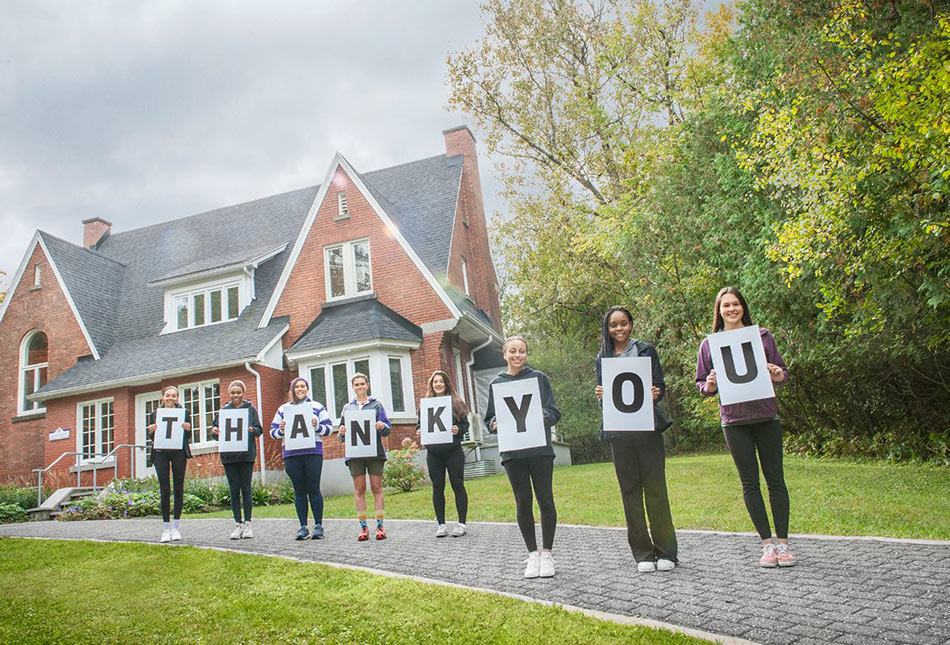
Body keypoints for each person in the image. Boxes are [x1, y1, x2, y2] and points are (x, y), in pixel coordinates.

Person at [695, 287, 795, 567]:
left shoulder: (762, 336)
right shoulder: (710, 344)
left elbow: (782, 372)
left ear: (743, 307)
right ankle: (767, 545)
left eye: (736, 304)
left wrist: (777, 374)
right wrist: (710, 386)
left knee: (776, 480)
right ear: (719, 311)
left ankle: (784, 545)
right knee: (749, 483)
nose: (731, 309)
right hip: (734, 422)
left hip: (766, 417)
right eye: (725, 305)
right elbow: (701, 383)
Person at [595, 306, 677, 573]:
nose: (619, 329)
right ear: (607, 329)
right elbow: (605, 399)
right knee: (630, 491)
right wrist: (600, 395)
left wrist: (656, 392)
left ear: (631, 325)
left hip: (647, 429)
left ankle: (666, 552)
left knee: (656, 489)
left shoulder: (646, 351)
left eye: (623, 324)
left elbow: (660, 386)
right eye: (613, 325)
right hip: (619, 434)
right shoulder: (602, 358)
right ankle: (642, 553)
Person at [484, 335, 561, 578]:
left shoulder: (539, 378)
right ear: (504, 354)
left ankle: (547, 554)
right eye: (513, 351)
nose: (517, 355)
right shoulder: (496, 383)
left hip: (539, 450)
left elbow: (554, 411)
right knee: (522, 501)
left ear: (526, 354)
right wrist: (495, 423)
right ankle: (532, 555)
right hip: (513, 452)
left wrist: (544, 416)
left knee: (545, 500)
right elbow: (490, 418)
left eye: (522, 351)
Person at [270, 377, 333, 540]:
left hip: (313, 452)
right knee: (299, 490)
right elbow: (273, 432)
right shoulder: (283, 409)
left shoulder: (317, 407)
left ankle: (318, 526)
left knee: (313, 488)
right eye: (297, 387)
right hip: (292, 454)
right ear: (292, 390)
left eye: (303, 386)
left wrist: (317, 425)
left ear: (307, 388)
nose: (300, 389)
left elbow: (329, 429)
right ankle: (303, 527)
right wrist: (281, 429)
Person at [337, 372, 392, 541]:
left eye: (362, 384)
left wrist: (382, 426)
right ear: (352, 387)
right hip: (355, 454)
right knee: (359, 489)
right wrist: (341, 432)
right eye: (356, 384)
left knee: (376, 488)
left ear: (367, 385)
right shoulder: (348, 408)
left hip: (374, 452)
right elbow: (341, 435)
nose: (360, 387)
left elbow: (387, 429)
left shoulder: (376, 405)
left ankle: (380, 526)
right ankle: (363, 527)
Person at [417, 370, 470, 538]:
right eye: (435, 382)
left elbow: (465, 425)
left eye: (441, 381)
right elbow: (419, 425)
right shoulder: (425, 405)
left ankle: (461, 524)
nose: (438, 384)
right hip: (434, 452)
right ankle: (441, 524)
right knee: (437, 487)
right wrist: (419, 431)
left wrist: (458, 429)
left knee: (458, 485)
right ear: (431, 385)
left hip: (453, 450)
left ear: (446, 384)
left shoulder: (456, 403)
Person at [210, 380, 264, 540]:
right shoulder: (223, 411)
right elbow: (214, 433)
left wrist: (252, 430)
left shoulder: (250, 409)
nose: (235, 395)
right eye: (233, 392)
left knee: (246, 489)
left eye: (238, 392)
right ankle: (237, 524)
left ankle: (248, 523)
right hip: (229, 456)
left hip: (246, 455)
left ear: (243, 393)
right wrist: (215, 432)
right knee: (234, 491)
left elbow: (259, 430)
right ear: (229, 394)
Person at [146, 385, 192, 543]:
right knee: (165, 490)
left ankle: (176, 527)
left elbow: (188, 436)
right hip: (161, 453)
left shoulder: (184, 413)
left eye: (174, 396)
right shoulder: (155, 414)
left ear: (178, 398)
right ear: (162, 397)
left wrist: (188, 428)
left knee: (179, 489)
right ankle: (166, 529)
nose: (171, 398)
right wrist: (151, 431)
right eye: (168, 395)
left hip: (179, 452)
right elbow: (153, 438)